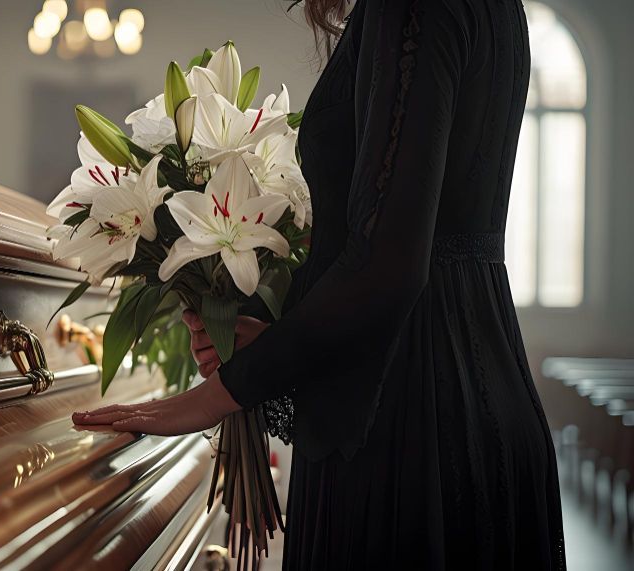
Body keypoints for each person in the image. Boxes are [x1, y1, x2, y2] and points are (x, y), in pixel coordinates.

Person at [74, 0, 566, 568]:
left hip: (405, 424)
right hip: (482, 394)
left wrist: (218, 393)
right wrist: (273, 332)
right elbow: (410, 241)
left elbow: (388, 264)